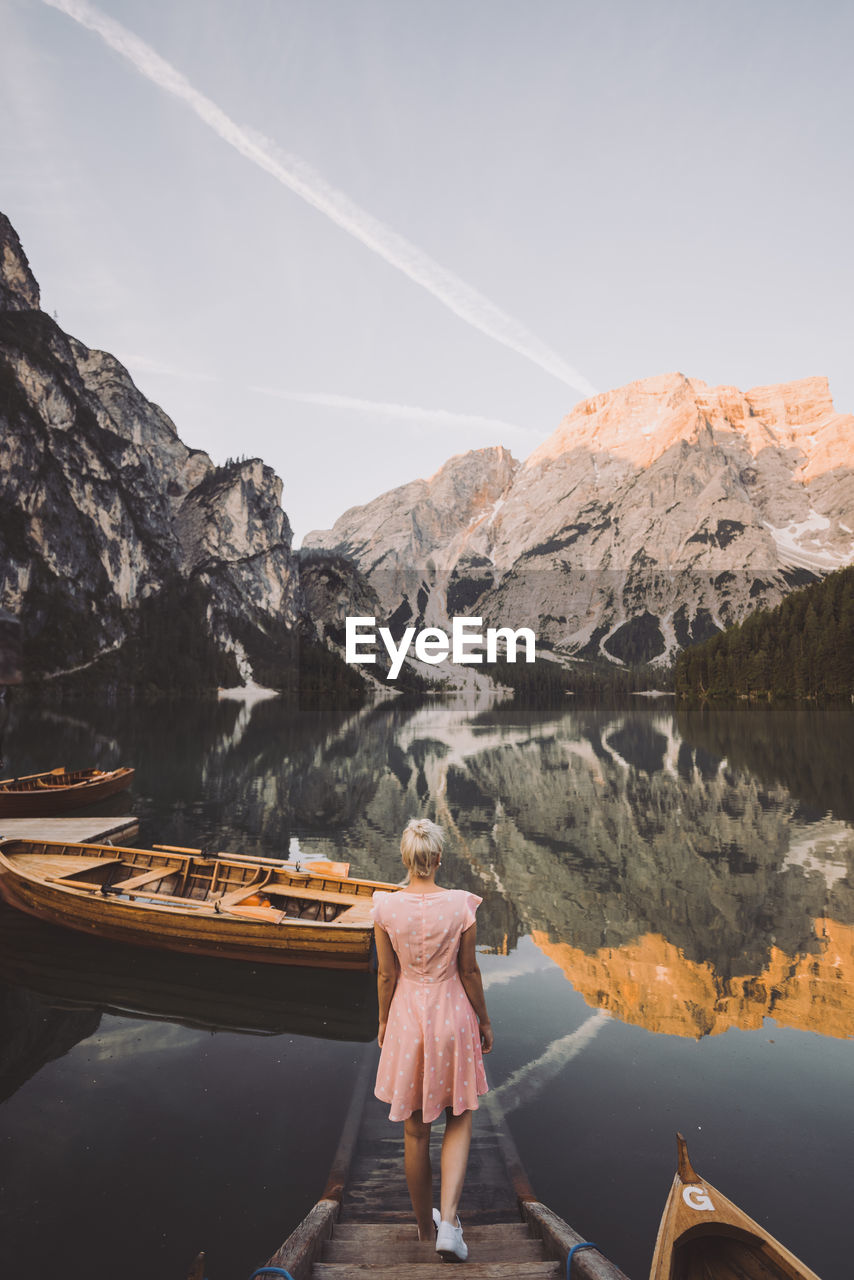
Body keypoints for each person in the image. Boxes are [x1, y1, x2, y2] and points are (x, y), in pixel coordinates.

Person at [371, 817, 493, 1263]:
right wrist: (485, 1021)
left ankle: (425, 1228)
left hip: (407, 1019)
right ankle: (451, 1223)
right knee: (459, 1116)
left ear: (406, 860)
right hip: (452, 1017)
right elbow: (469, 971)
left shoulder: (384, 907)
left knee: (415, 1130)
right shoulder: (461, 905)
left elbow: (387, 975)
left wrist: (384, 1022)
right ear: (438, 859)